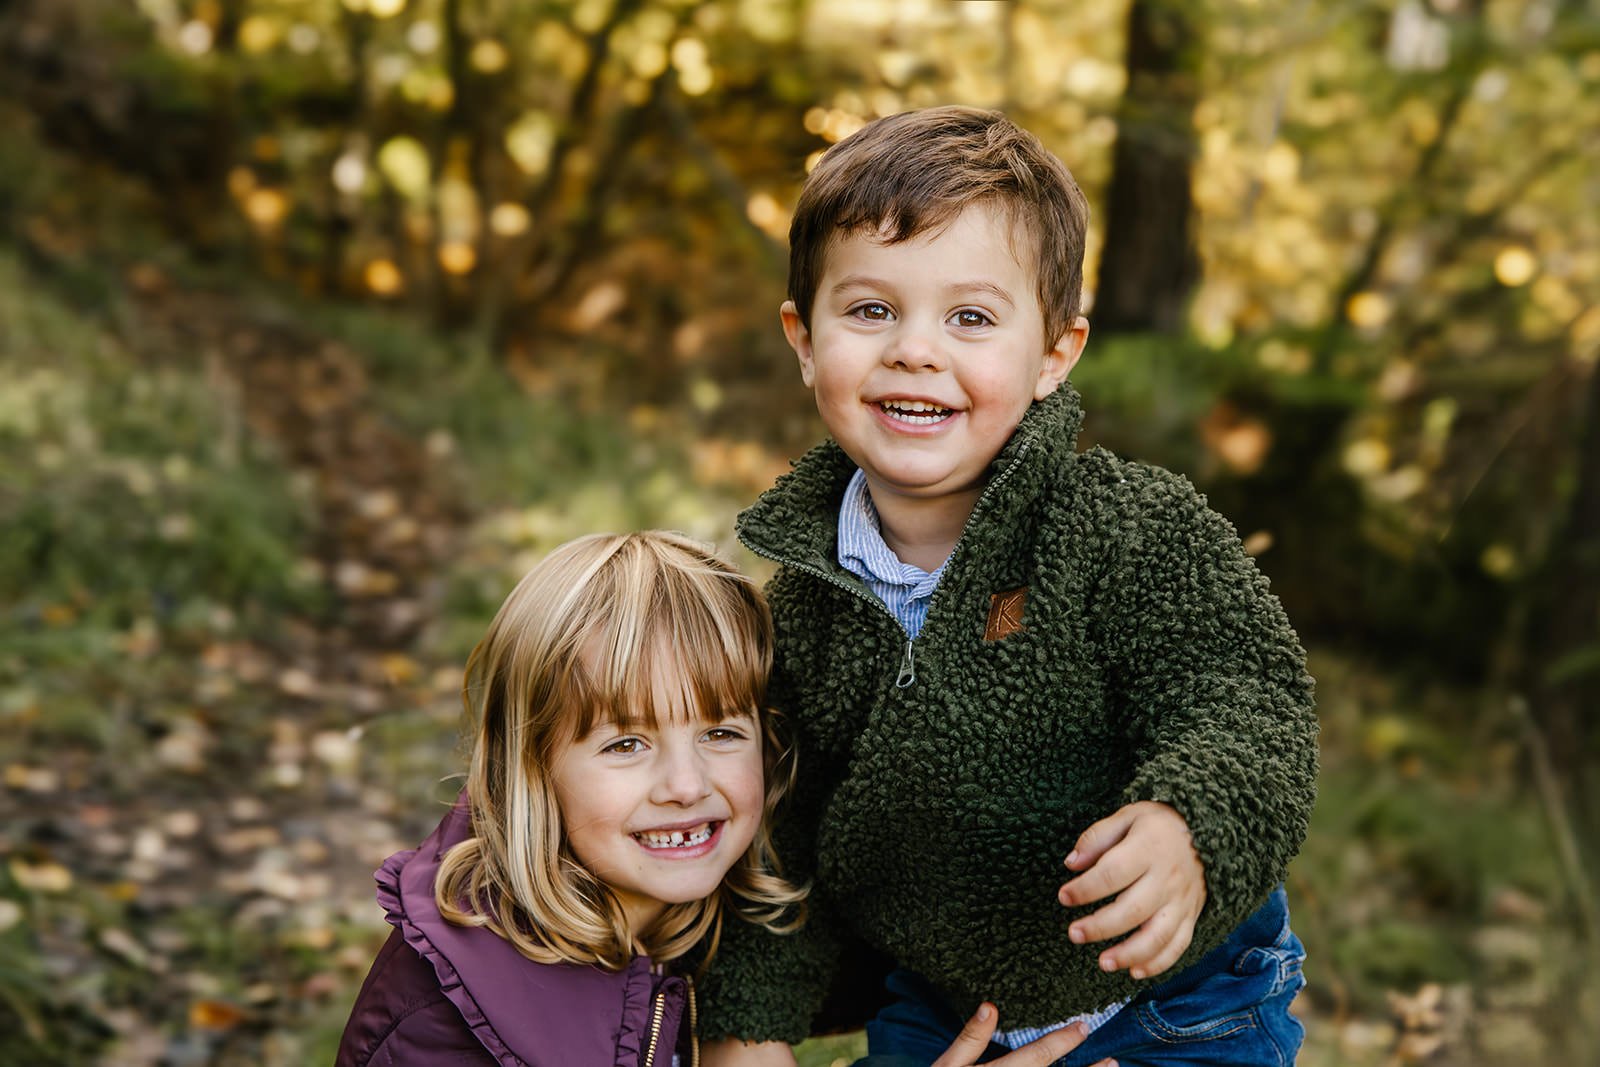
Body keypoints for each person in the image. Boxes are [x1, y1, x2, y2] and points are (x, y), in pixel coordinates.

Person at [696, 107, 1318, 1067]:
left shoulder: (1125, 526)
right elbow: (785, 844)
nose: (914, 348)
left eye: (971, 318)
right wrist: (751, 1029)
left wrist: (1187, 824)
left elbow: (1246, 698)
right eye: (870, 310)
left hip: (1178, 999)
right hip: (950, 1008)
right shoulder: (804, 612)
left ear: (1055, 353)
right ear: (804, 337)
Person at [336, 531, 812, 1066]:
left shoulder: (685, 928)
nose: (687, 785)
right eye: (627, 744)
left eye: (720, 734)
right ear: (534, 767)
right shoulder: (447, 1028)